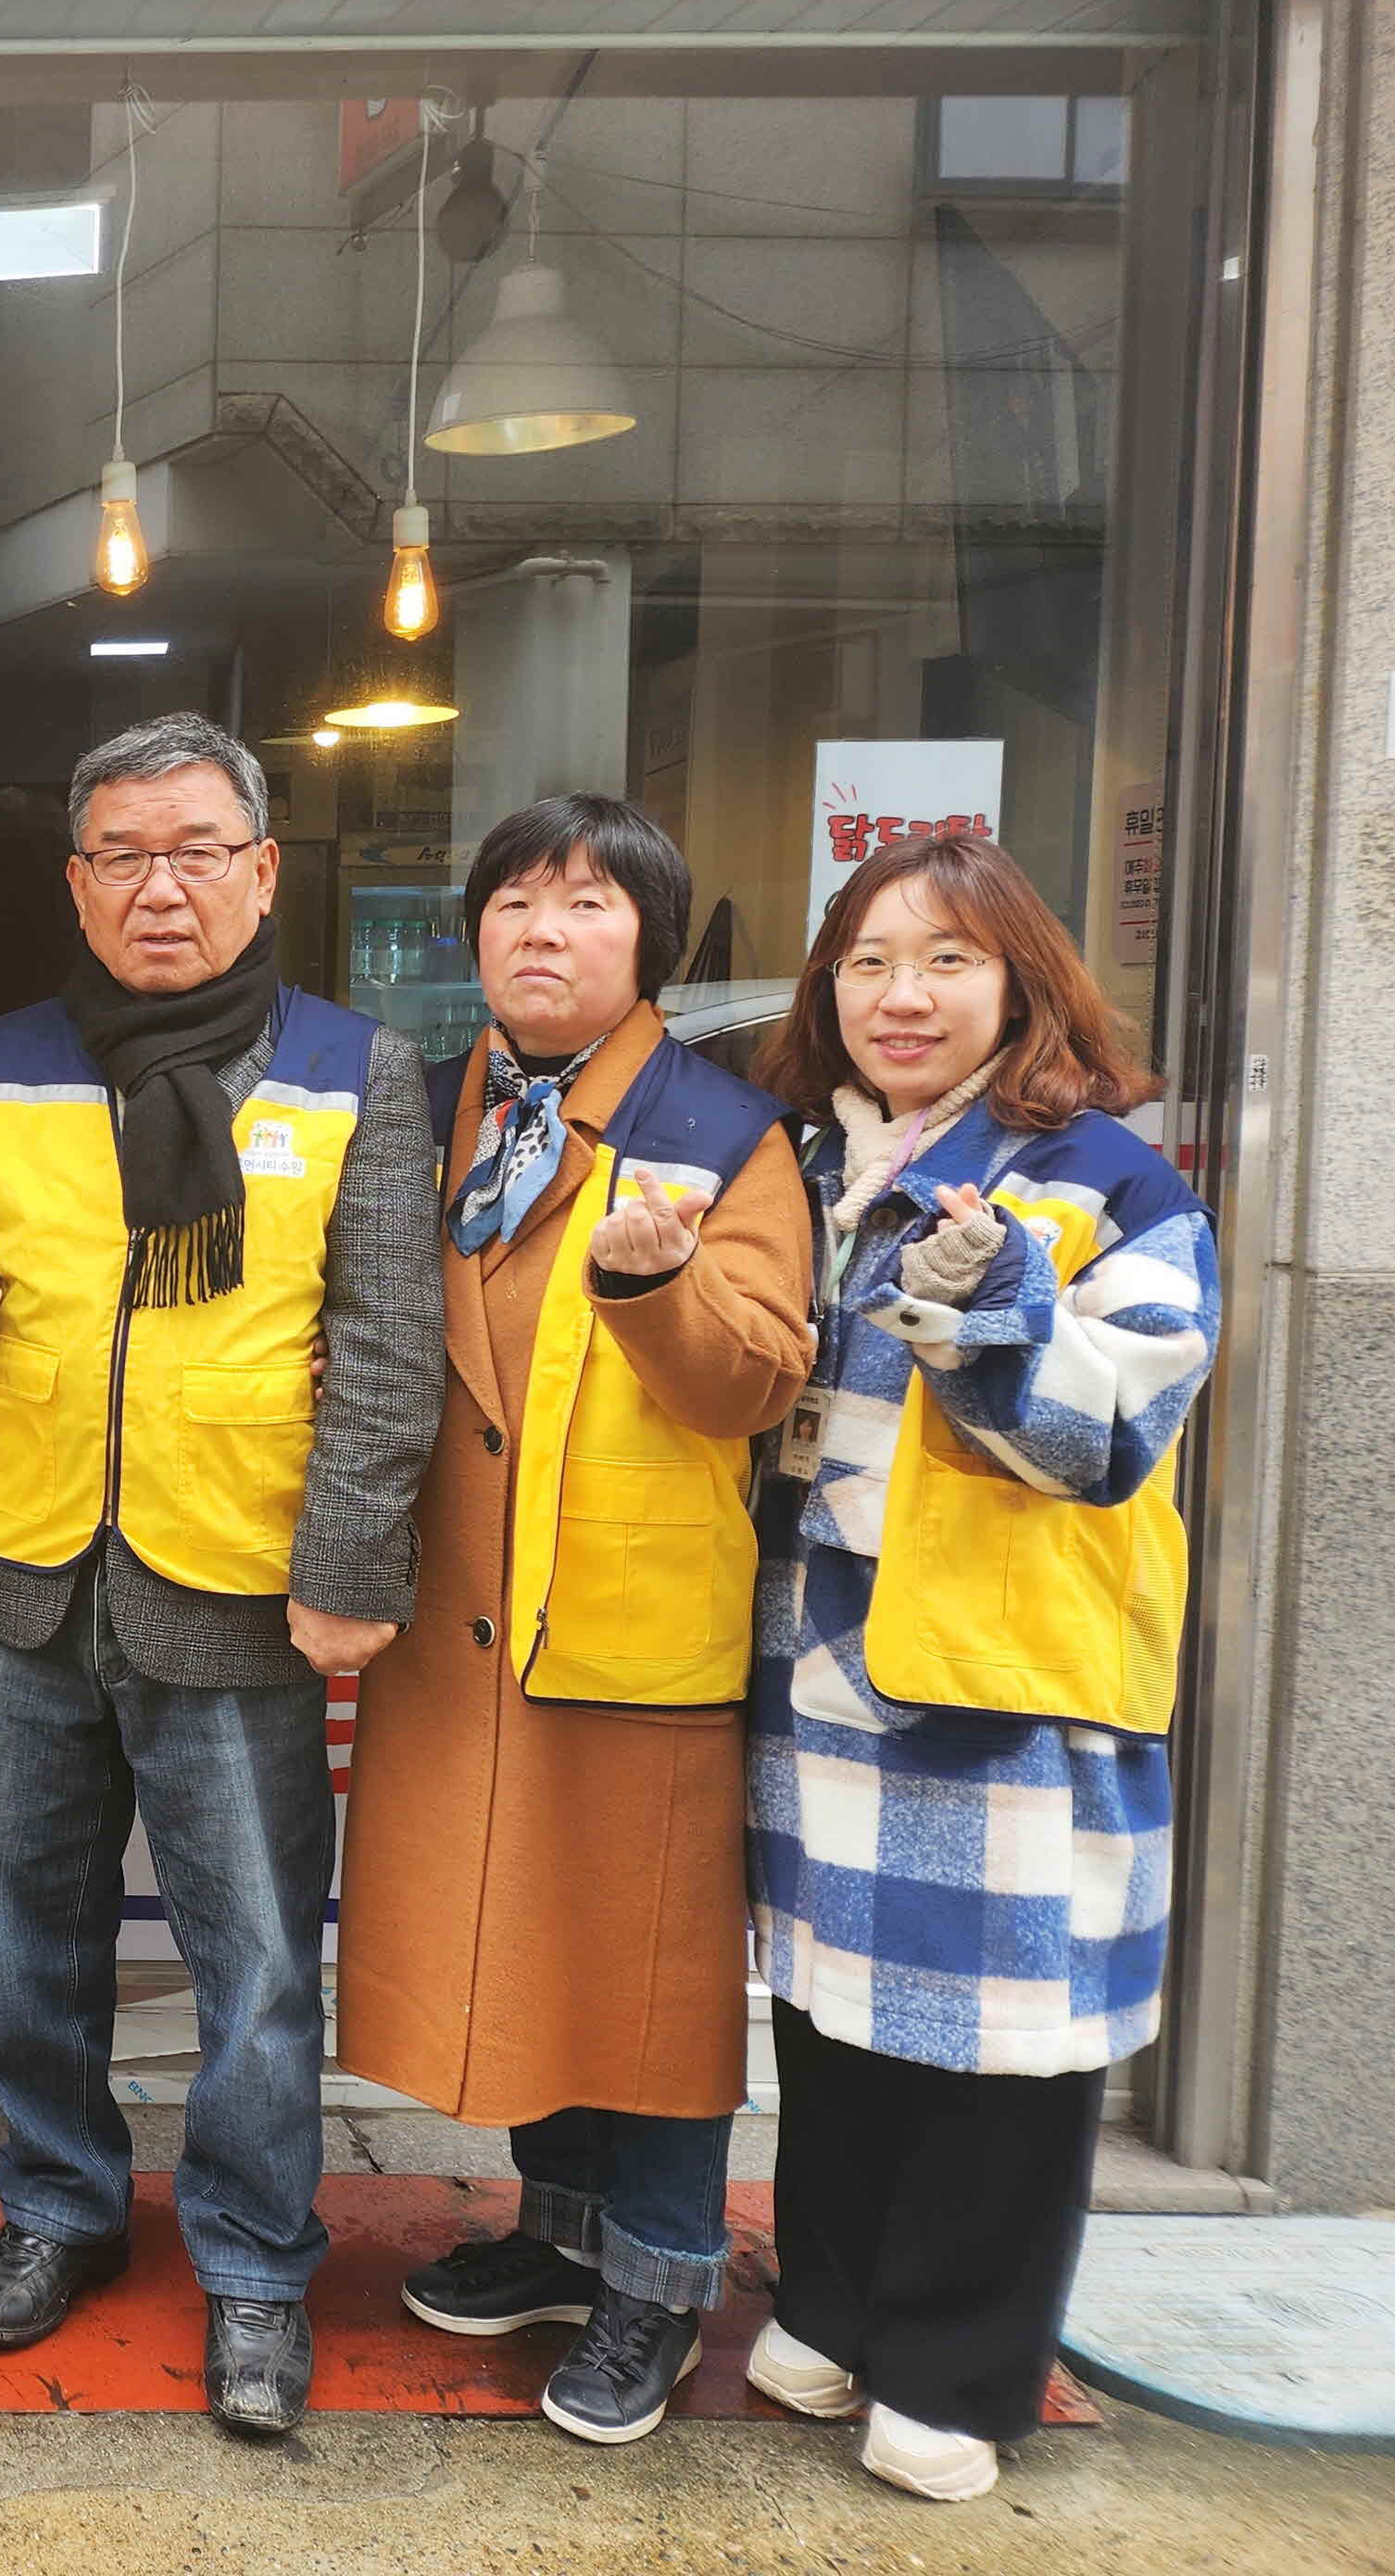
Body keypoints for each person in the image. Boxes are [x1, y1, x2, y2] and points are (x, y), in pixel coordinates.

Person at [0, 713, 439, 2433]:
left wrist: (348, 1564)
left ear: (263, 871)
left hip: (237, 1579)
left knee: (257, 1959)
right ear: (72, 884)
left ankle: (259, 2263)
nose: (159, 886)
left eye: (196, 849)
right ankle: (56, 2208)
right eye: (121, 855)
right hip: (30, 1575)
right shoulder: (6, 1055)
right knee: (17, 1940)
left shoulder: (354, 1068)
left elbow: (389, 1344)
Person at [738, 830, 1213, 2503]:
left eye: (944, 959)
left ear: (1021, 978)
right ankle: (834, 2302)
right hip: (817, 1657)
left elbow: (1114, 1432)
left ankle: (957, 2368)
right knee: (831, 2010)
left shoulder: (1107, 1176)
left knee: (999, 2039)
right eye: (866, 960)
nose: (900, 996)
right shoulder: (804, 1156)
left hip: (997, 1681)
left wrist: (998, 1300)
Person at [333, 798, 814, 2444]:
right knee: (525, 1926)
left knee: (649, 1969)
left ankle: (664, 2280)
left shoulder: (720, 1127)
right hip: (458, 1607)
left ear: (648, 945)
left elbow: (757, 1374)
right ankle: (556, 2236)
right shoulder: (425, 1103)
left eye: (588, 905)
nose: (542, 931)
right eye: (515, 902)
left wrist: (653, 1283)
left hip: (623, 1608)